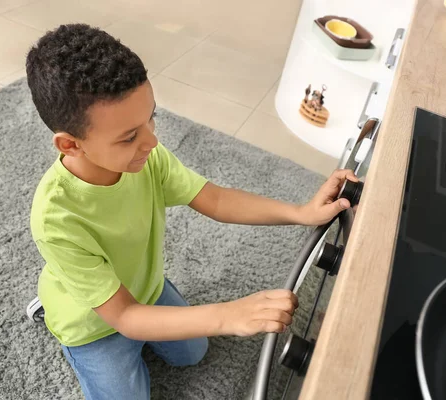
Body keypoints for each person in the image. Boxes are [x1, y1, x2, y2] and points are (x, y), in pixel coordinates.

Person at [26, 23, 358, 400]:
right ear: (71, 144)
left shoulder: (147, 157)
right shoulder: (55, 219)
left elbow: (214, 199)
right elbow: (125, 317)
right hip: (93, 326)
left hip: (144, 290)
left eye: (151, 118)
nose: (151, 141)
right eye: (129, 136)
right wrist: (226, 315)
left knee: (194, 352)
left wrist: (301, 212)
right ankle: (52, 306)